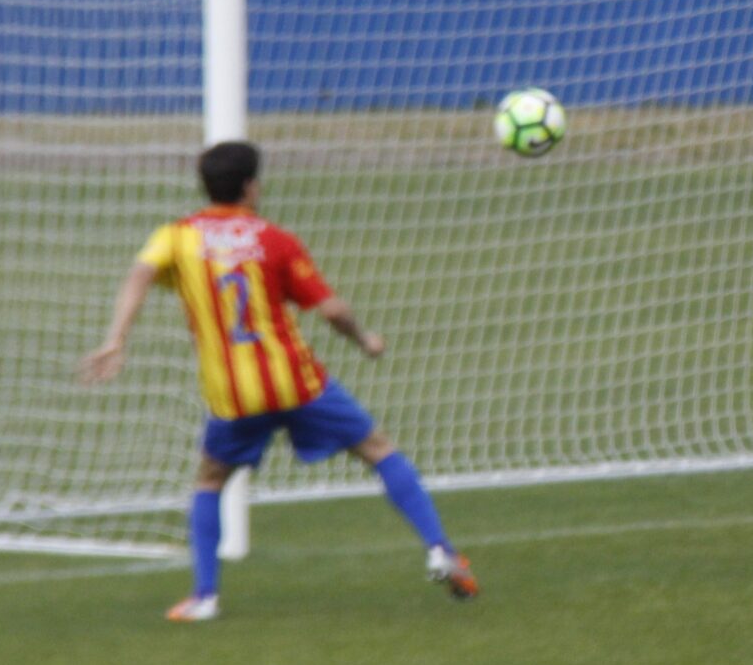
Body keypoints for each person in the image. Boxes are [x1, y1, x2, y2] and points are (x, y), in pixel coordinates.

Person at [79, 140, 477, 619]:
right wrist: (365, 339)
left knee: (210, 480)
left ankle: (205, 597)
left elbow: (139, 275)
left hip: (234, 395)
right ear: (251, 186)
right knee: (377, 449)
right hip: (296, 382)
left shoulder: (178, 237)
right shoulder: (275, 239)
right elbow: (332, 310)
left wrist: (117, 338)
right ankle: (438, 549)